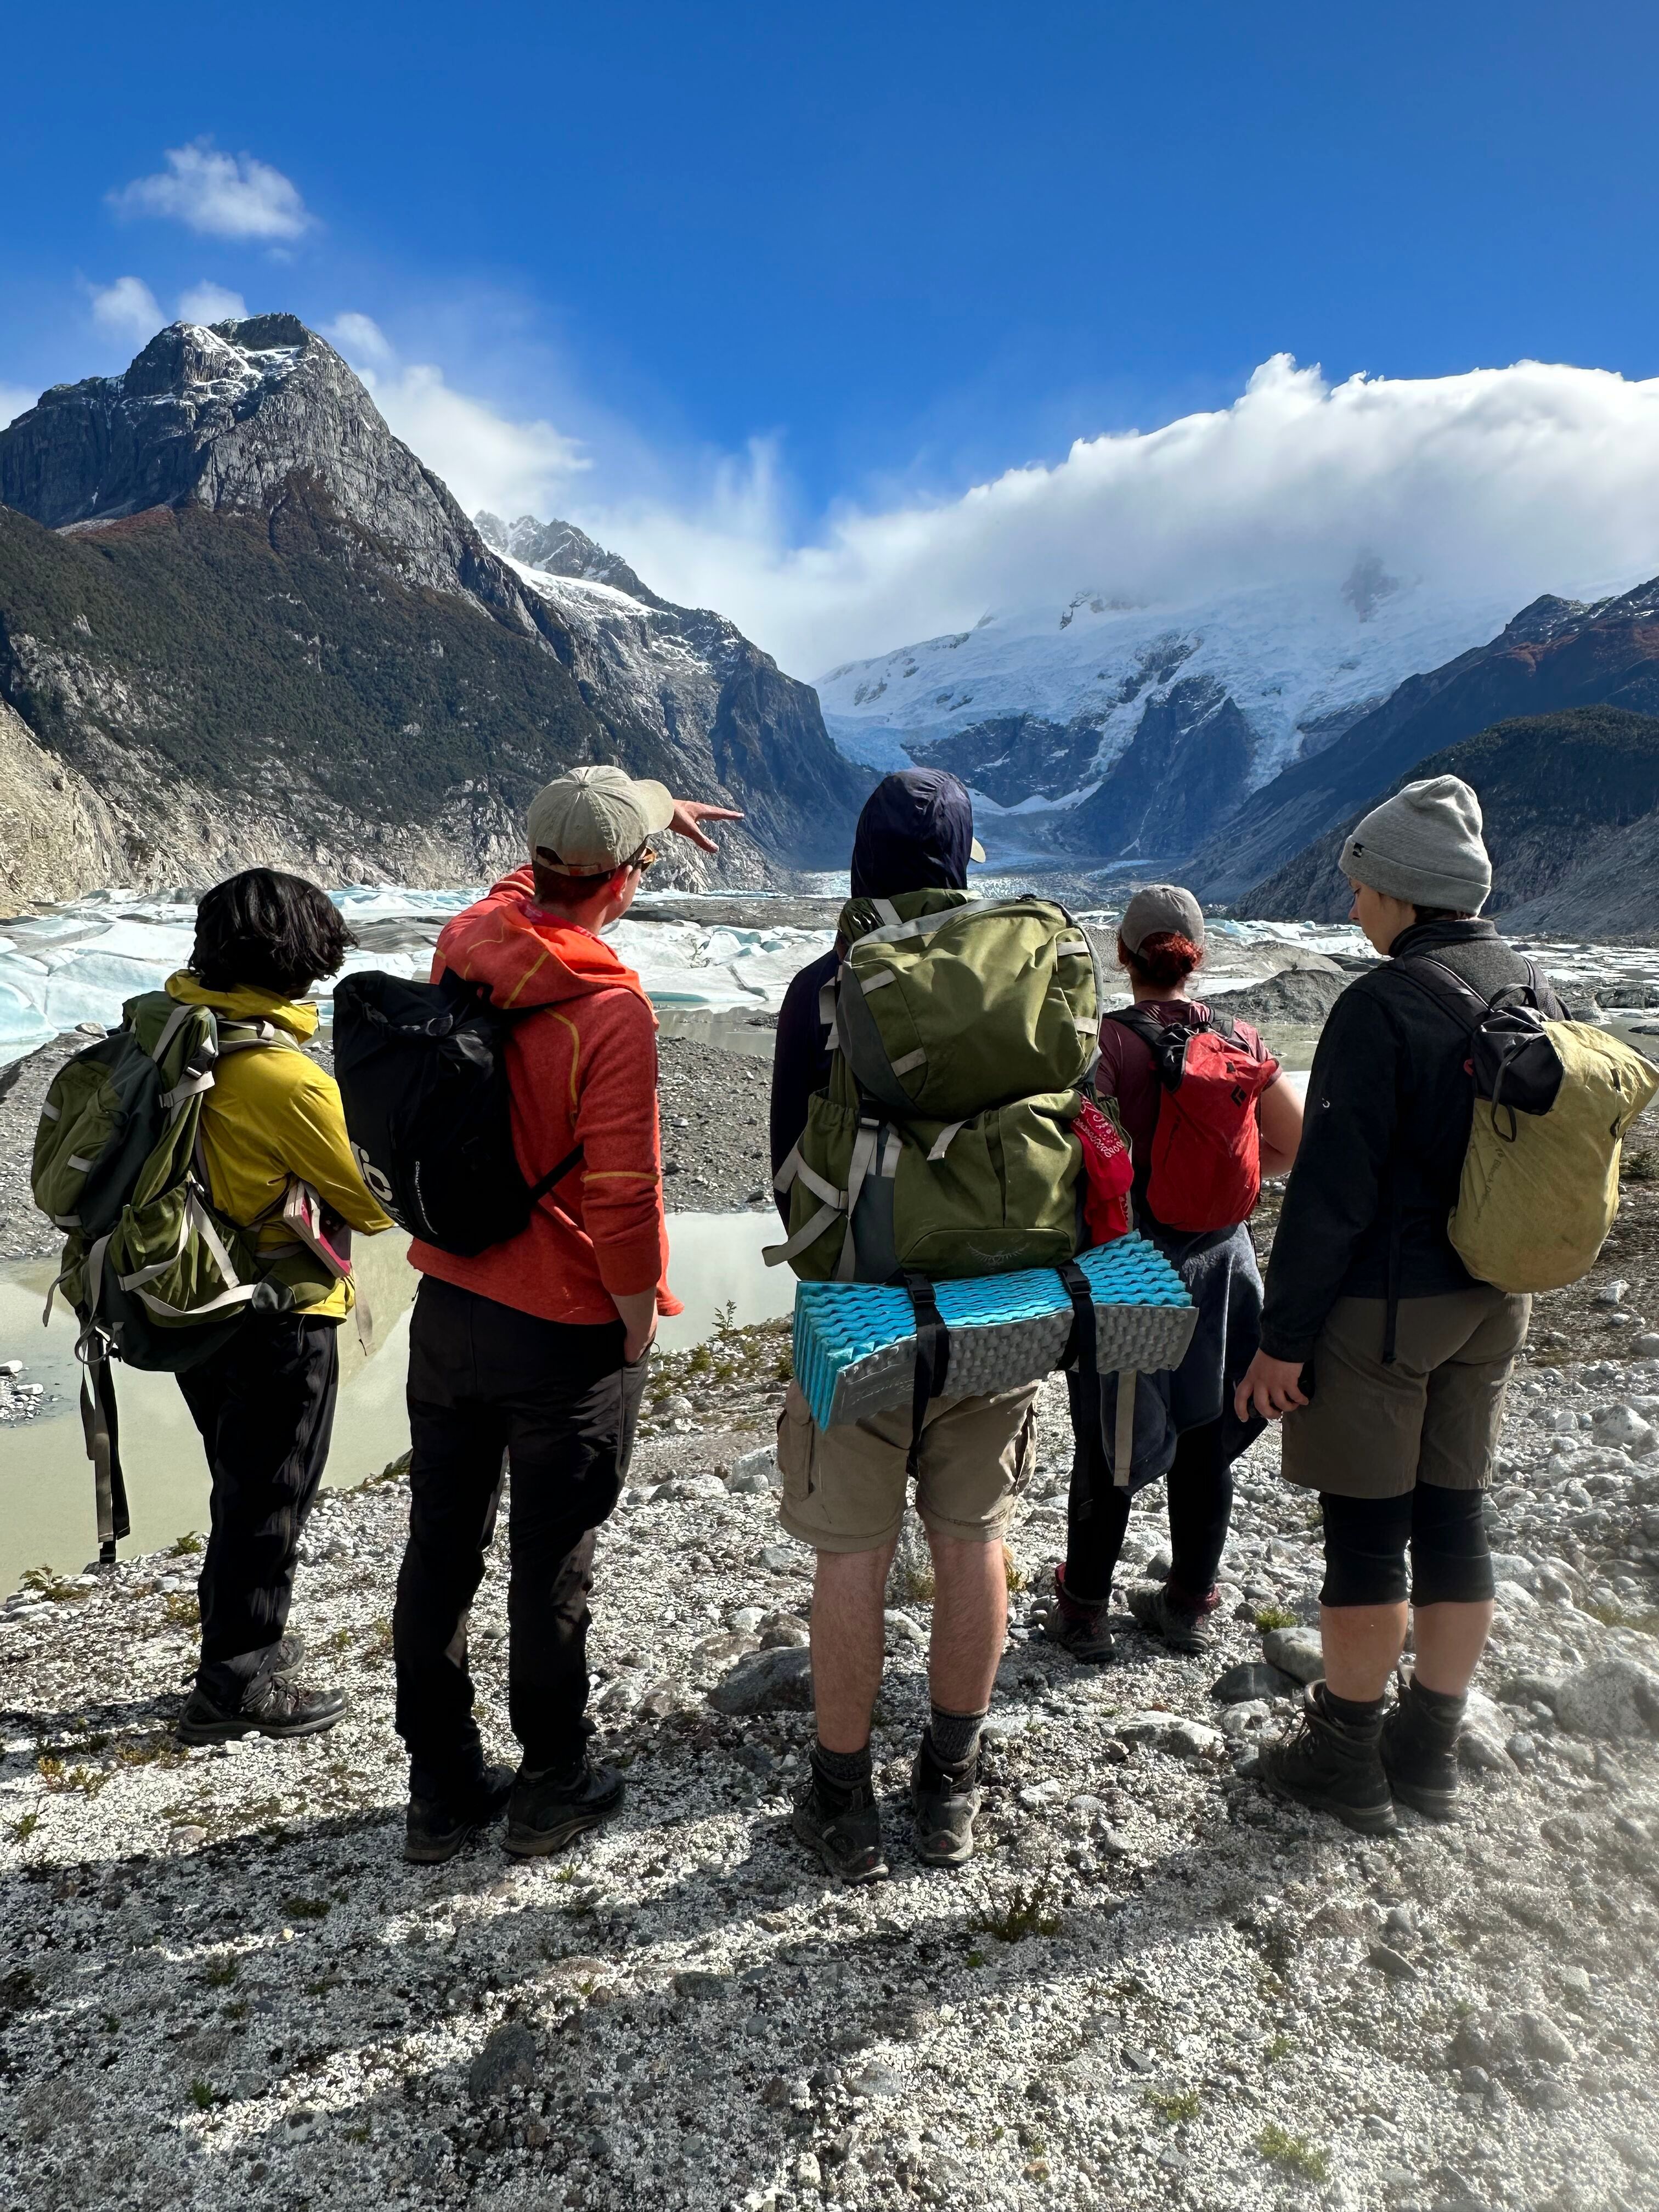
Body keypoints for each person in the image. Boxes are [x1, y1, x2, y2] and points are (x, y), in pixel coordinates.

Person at [392, 766, 741, 1864]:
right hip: (564, 1327)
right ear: (630, 880)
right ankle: (552, 1781)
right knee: (553, 1563)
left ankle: (441, 1789)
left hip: (450, 1300)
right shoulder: (612, 1009)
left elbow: (532, 883)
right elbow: (625, 1194)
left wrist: (638, 812)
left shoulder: (471, 938)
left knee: (441, 1547)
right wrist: (636, 1320)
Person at [1235, 776, 1564, 1833]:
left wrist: (1283, 1343)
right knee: (1457, 1521)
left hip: (1387, 1314)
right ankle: (1431, 1747)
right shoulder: (1529, 983)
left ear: (1405, 894)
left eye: (1362, 886)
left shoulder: (1380, 1007)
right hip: (1492, 1301)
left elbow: (1333, 1195)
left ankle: (1345, 1754)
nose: (1351, 907)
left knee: (1368, 1541)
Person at [771, 768, 1040, 1883]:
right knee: (973, 1535)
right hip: (992, 1304)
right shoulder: (1016, 976)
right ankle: (948, 1790)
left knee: (854, 1548)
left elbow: (787, 1169)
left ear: (858, 864)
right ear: (965, 867)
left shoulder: (820, 988)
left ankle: (844, 1803)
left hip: (861, 1307)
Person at [1034, 885, 1303, 1663]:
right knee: (1205, 1435)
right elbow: (1285, 1146)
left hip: (1130, 1269)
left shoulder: (1104, 1048)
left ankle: (1083, 1610)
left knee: (1109, 1443)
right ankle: (1188, 1602)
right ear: (1197, 956)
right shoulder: (1241, 1039)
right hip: (1225, 1263)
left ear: (1123, 955)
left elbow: (1068, 1174)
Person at [172, 870, 396, 1746]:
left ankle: (236, 1643)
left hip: (191, 1300)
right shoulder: (282, 1076)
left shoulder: (178, 1032)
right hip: (278, 1311)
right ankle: (238, 1676)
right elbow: (372, 1204)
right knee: (272, 1491)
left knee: (239, 1480)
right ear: (299, 961)